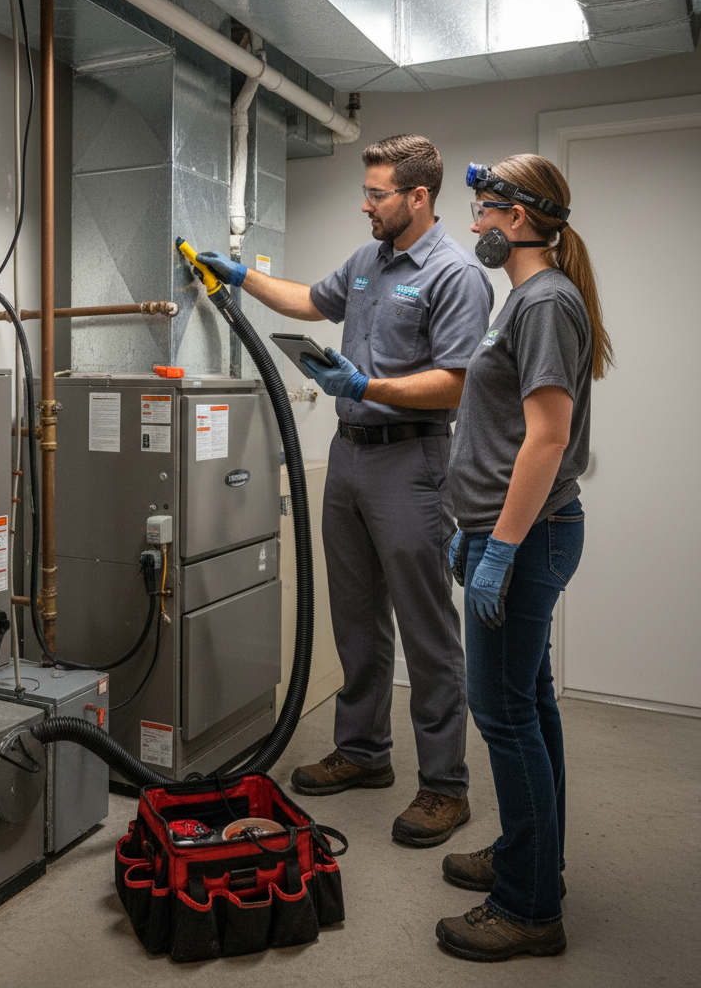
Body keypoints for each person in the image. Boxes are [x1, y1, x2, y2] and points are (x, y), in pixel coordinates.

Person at [197, 134, 491, 846]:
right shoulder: (369, 261)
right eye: (366, 192)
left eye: (377, 194)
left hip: (412, 463)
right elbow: (310, 299)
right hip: (350, 457)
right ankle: (363, 753)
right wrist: (239, 277)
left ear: (418, 197)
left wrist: (366, 386)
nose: (366, 204)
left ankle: (445, 786)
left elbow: (454, 381)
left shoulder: (456, 275)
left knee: (426, 633)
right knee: (356, 619)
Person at [435, 154, 614, 961]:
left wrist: (498, 548)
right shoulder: (529, 300)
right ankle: (530, 859)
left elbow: (547, 438)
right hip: (507, 530)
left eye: (481, 210)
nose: (472, 223)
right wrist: (471, 526)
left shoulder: (542, 301)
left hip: (529, 536)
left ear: (517, 216)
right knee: (530, 708)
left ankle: (529, 907)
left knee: (504, 718)